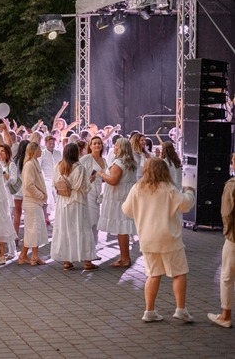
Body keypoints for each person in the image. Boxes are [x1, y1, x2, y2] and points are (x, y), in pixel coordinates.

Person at [122, 157, 195, 322]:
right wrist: (190, 191)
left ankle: (149, 311)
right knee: (179, 273)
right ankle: (180, 309)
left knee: (153, 275)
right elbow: (185, 205)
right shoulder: (169, 189)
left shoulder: (137, 188)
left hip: (147, 239)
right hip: (170, 238)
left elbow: (126, 210)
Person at [50, 143, 98, 271]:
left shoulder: (58, 166)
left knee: (65, 229)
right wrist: (90, 180)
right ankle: (87, 261)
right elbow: (82, 187)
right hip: (77, 202)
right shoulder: (79, 168)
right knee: (81, 227)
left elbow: (54, 183)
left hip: (63, 201)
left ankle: (67, 260)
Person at [98, 137, 137, 267]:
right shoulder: (131, 162)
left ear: (122, 148)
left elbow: (114, 181)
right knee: (123, 228)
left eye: (116, 146)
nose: (114, 147)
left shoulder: (119, 163)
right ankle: (124, 257)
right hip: (126, 196)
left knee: (121, 228)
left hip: (118, 198)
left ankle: (124, 258)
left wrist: (102, 174)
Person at [208, 153, 235, 328]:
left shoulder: (231, 186)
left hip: (234, 238)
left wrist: (228, 231)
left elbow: (226, 213)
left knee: (227, 276)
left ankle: (225, 315)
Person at [17, 142, 48, 265]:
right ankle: (31, 256)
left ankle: (26, 255)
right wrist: (40, 195)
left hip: (35, 202)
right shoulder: (29, 165)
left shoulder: (34, 163)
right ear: (35, 151)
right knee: (33, 229)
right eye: (39, 149)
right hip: (32, 201)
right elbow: (29, 185)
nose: (41, 151)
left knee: (34, 229)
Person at [79, 136, 106, 245]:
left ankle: (93, 246)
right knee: (90, 219)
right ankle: (86, 247)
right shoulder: (86, 158)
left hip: (98, 191)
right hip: (88, 191)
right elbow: (77, 172)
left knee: (96, 219)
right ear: (90, 146)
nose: (97, 145)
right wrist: (88, 179)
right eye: (94, 143)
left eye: (99, 143)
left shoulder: (104, 159)